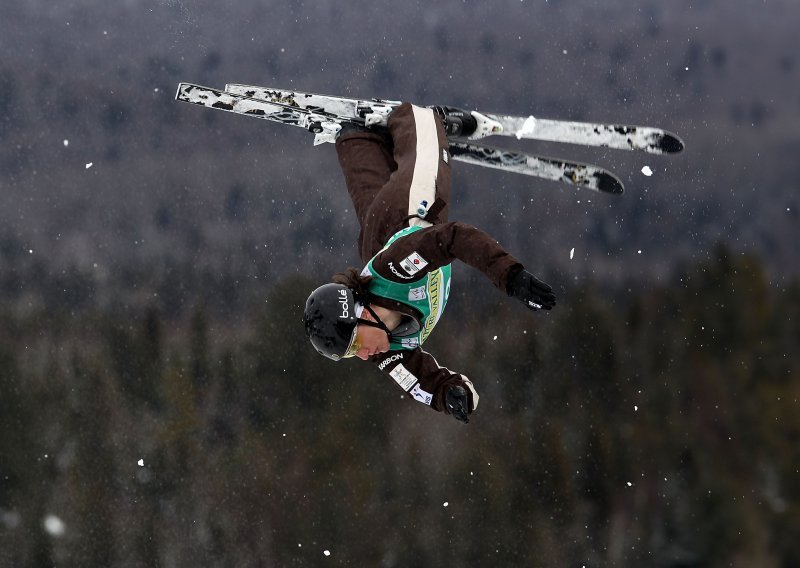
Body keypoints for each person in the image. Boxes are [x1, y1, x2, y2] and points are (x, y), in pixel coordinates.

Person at [303, 102, 556, 424]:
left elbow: (453, 238)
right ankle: (359, 138)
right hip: (379, 238)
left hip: (411, 215)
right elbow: (420, 383)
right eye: (352, 354)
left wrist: (510, 276)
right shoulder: (388, 350)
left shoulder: (397, 269)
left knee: (424, 164)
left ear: (362, 314)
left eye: (355, 346)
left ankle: (421, 118)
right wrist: (452, 395)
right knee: (370, 199)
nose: (364, 356)